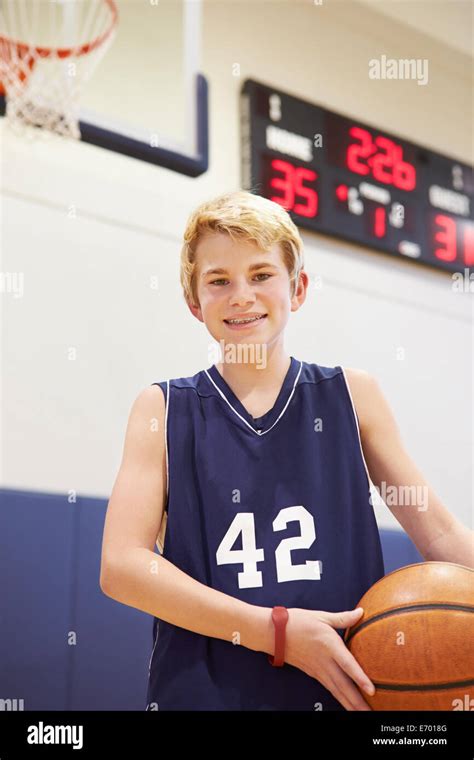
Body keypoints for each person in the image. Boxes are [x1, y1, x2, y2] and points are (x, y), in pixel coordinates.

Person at [100, 190, 473, 711]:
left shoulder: (351, 395)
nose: (241, 296)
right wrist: (273, 631)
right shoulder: (162, 409)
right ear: (194, 301)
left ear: (297, 289)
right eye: (218, 280)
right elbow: (122, 565)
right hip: (205, 695)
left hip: (341, 691)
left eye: (260, 275)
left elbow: (439, 532)